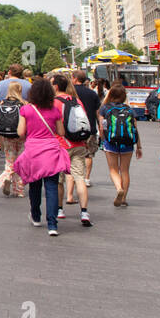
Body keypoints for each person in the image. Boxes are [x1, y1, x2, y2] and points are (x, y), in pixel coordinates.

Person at [13, 77, 72, 235]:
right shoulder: (55, 110)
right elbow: (61, 132)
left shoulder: (26, 110)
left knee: (35, 185)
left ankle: (36, 216)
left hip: (33, 151)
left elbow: (20, 132)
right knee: (52, 188)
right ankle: (52, 224)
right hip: (51, 152)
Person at [52, 73, 91, 227]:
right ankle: (84, 212)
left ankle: (60, 209)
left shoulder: (54, 103)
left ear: (55, 86)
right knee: (79, 177)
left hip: (61, 144)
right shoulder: (77, 101)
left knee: (59, 179)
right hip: (79, 144)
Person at [99, 83, 142, 206]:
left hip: (111, 141)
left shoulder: (105, 108)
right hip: (127, 143)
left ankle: (119, 189)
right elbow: (135, 129)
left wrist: (102, 141)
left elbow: (102, 127)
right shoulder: (129, 110)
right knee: (125, 170)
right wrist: (139, 146)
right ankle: (123, 199)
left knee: (113, 169)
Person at [0, 80, 26, 197]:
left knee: (10, 161)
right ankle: (19, 190)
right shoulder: (23, 105)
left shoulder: (3, 104)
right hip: (21, 136)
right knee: (21, 163)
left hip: (7, 137)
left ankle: (6, 177)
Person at [72, 69, 102, 189]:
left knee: (74, 154)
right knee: (88, 155)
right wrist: (100, 127)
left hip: (73, 129)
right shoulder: (92, 93)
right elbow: (97, 112)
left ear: (74, 78)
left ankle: (75, 178)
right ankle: (87, 178)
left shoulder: (71, 93)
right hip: (89, 128)